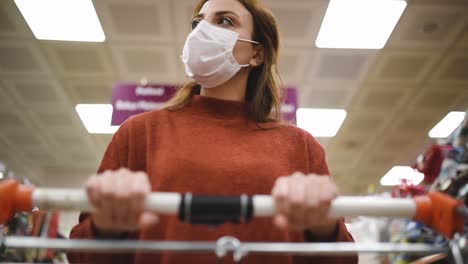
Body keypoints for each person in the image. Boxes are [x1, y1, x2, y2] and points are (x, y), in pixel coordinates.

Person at [68, 0, 358, 263]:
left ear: (256, 53)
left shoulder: (300, 146)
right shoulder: (139, 133)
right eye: (198, 22)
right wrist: (107, 227)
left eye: (224, 21)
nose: (203, 31)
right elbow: (81, 253)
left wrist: (324, 227)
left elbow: (344, 259)